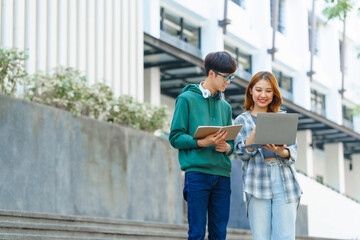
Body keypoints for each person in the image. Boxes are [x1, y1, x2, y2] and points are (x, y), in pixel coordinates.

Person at [169, 51, 237, 240]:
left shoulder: (226, 107)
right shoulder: (186, 99)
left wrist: (228, 147)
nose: (228, 82)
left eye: (231, 77)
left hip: (222, 176)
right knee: (197, 233)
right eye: (225, 77)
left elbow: (230, 141)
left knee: (219, 234)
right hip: (197, 174)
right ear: (211, 73)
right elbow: (175, 137)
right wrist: (200, 142)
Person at [234, 71, 302, 240]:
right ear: (250, 91)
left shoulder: (283, 118)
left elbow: (292, 153)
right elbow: (240, 154)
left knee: (285, 236)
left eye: (268, 91)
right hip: (256, 181)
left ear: (274, 93)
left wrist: (280, 152)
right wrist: (250, 142)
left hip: (284, 180)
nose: (263, 95)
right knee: (261, 237)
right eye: (258, 90)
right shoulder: (241, 120)